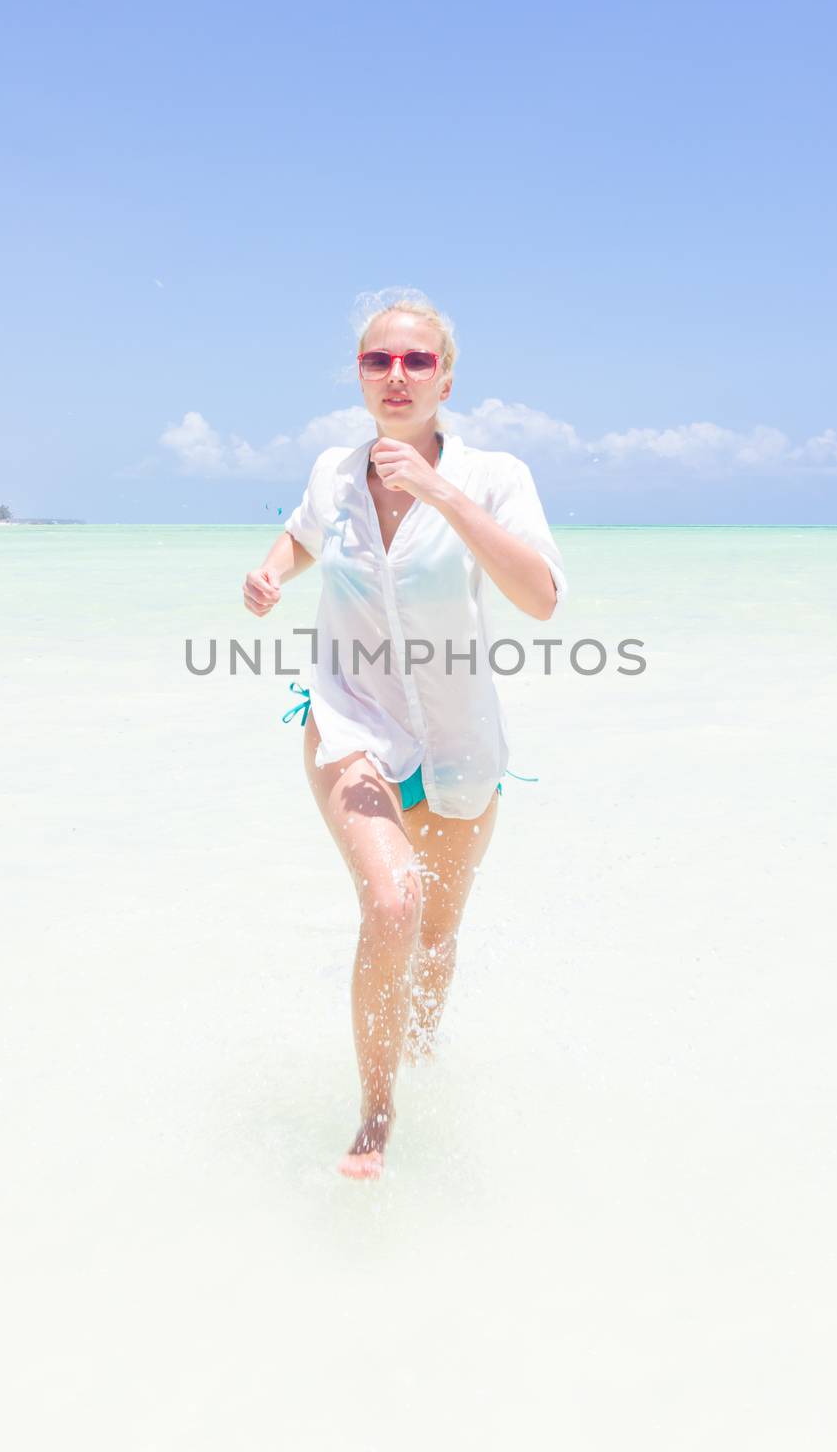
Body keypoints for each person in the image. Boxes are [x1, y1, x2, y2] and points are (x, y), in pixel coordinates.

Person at [243, 290, 568, 1181]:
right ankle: (376, 1116)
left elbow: (541, 599)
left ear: (447, 378)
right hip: (350, 716)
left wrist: (439, 493)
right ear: (358, 373)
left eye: (416, 361)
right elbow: (303, 536)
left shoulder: (496, 476)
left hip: (461, 741)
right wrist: (271, 572)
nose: (396, 376)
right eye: (378, 360)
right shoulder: (332, 474)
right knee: (393, 904)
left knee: (435, 939)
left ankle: (422, 1060)